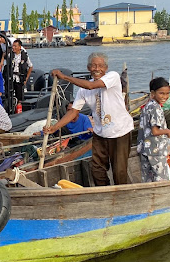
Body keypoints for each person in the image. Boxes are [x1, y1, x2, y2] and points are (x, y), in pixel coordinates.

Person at [43, 52, 134, 186]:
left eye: (101, 66)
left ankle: (122, 198)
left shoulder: (112, 76)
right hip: (100, 133)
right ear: (88, 68)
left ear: (106, 68)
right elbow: (74, 112)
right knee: (97, 169)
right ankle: (104, 193)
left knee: (119, 170)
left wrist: (64, 77)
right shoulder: (83, 90)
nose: (97, 69)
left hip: (120, 132)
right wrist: (54, 127)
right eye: (93, 66)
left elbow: (91, 86)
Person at [137, 77, 170, 182]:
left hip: (145, 149)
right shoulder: (156, 108)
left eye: (167, 94)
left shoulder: (148, 106)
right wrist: (168, 131)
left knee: (148, 179)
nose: (165, 96)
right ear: (153, 93)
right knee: (162, 179)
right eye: (161, 93)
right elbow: (155, 131)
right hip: (155, 150)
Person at [11, 39, 33, 103]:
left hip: (19, 79)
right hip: (11, 78)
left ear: (19, 47)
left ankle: (19, 107)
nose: (13, 48)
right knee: (10, 94)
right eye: (13, 46)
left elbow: (30, 66)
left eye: (15, 46)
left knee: (19, 96)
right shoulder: (10, 55)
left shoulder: (24, 56)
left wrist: (26, 78)